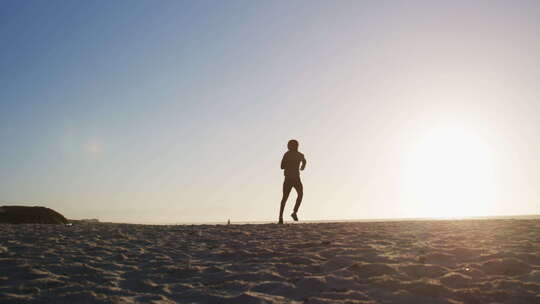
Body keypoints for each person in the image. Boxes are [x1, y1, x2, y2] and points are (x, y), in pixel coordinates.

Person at [279, 139, 306, 224]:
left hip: (295, 179)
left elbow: (304, 161)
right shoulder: (288, 154)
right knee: (285, 197)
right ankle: (281, 217)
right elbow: (282, 166)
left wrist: (302, 166)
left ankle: (293, 213)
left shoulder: (299, 154)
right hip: (289, 179)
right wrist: (300, 165)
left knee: (299, 194)